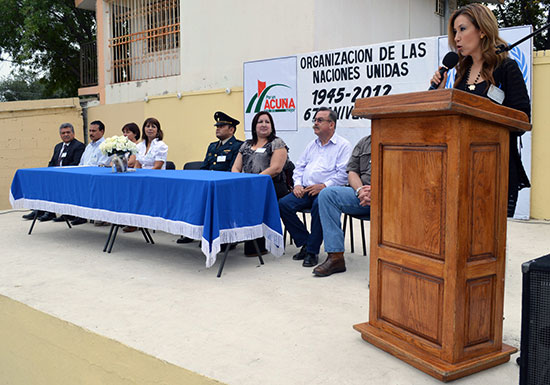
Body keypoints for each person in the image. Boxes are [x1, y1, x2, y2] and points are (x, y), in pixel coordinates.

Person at [431, 3, 531, 217]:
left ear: (483, 30)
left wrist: (486, 115)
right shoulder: (460, 75)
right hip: (461, 169)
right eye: (455, 32)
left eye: (463, 29)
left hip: (495, 169)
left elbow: (522, 119)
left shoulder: (506, 68)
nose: (456, 37)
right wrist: (438, 93)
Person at [278, 107, 352, 268]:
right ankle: (305, 242)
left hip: (327, 192)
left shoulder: (343, 145)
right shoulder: (312, 145)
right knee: (283, 205)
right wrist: (297, 184)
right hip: (305, 189)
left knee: (320, 204)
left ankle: (312, 251)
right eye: (315, 120)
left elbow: (343, 174)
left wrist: (324, 186)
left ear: (331, 124)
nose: (315, 124)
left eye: (319, 120)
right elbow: (299, 167)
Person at [177, 111, 243, 245]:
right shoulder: (212, 146)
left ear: (232, 130)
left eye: (221, 126)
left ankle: (224, 238)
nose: (217, 128)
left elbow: (232, 169)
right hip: (207, 183)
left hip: (223, 185)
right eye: (217, 126)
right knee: (191, 197)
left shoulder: (238, 146)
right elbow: (204, 167)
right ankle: (192, 231)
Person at [232, 111, 291, 256]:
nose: (264, 125)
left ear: (272, 126)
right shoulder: (246, 144)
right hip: (249, 186)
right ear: (254, 126)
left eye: (267, 122)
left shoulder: (277, 143)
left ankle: (258, 245)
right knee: (230, 198)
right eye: (260, 122)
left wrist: (254, 181)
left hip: (272, 186)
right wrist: (240, 181)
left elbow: (276, 169)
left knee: (251, 200)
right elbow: (236, 167)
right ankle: (230, 239)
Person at [315, 135, 372, 277]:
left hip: (391, 195)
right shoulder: (364, 142)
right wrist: (360, 191)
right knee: (327, 195)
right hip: (361, 194)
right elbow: (352, 171)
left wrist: (377, 191)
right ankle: (336, 257)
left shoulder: (401, 140)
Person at [22, 123, 85, 222]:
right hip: (55, 175)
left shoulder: (78, 146)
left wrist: (58, 173)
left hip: (68, 176)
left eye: (68, 132)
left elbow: (75, 163)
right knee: (41, 182)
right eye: (63, 133)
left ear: (73, 133)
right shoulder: (58, 146)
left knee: (53, 185)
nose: (65, 135)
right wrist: (48, 173)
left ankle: (58, 213)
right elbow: (52, 162)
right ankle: (40, 210)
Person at [71, 120, 110, 226]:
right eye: (90, 131)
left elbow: (103, 164)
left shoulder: (106, 146)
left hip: (97, 177)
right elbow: (82, 162)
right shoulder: (89, 146)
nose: (91, 133)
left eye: (94, 131)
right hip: (84, 175)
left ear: (102, 131)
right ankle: (81, 215)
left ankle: (102, 217)